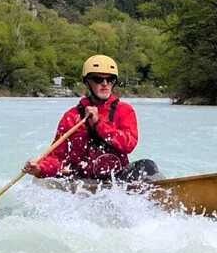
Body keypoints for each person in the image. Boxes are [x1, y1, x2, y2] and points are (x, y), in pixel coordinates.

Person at [24, 54, 161, 182]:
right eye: (98, 79)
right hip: (82, 180)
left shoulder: (125, 111)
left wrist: (98, 123)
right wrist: (40, 168)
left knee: (147, 165)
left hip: (117, 178)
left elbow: (128, 145)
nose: (105, 83)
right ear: (87, 82)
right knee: (60, 173)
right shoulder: (72, 117)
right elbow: (57, 157)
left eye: (110, 79)